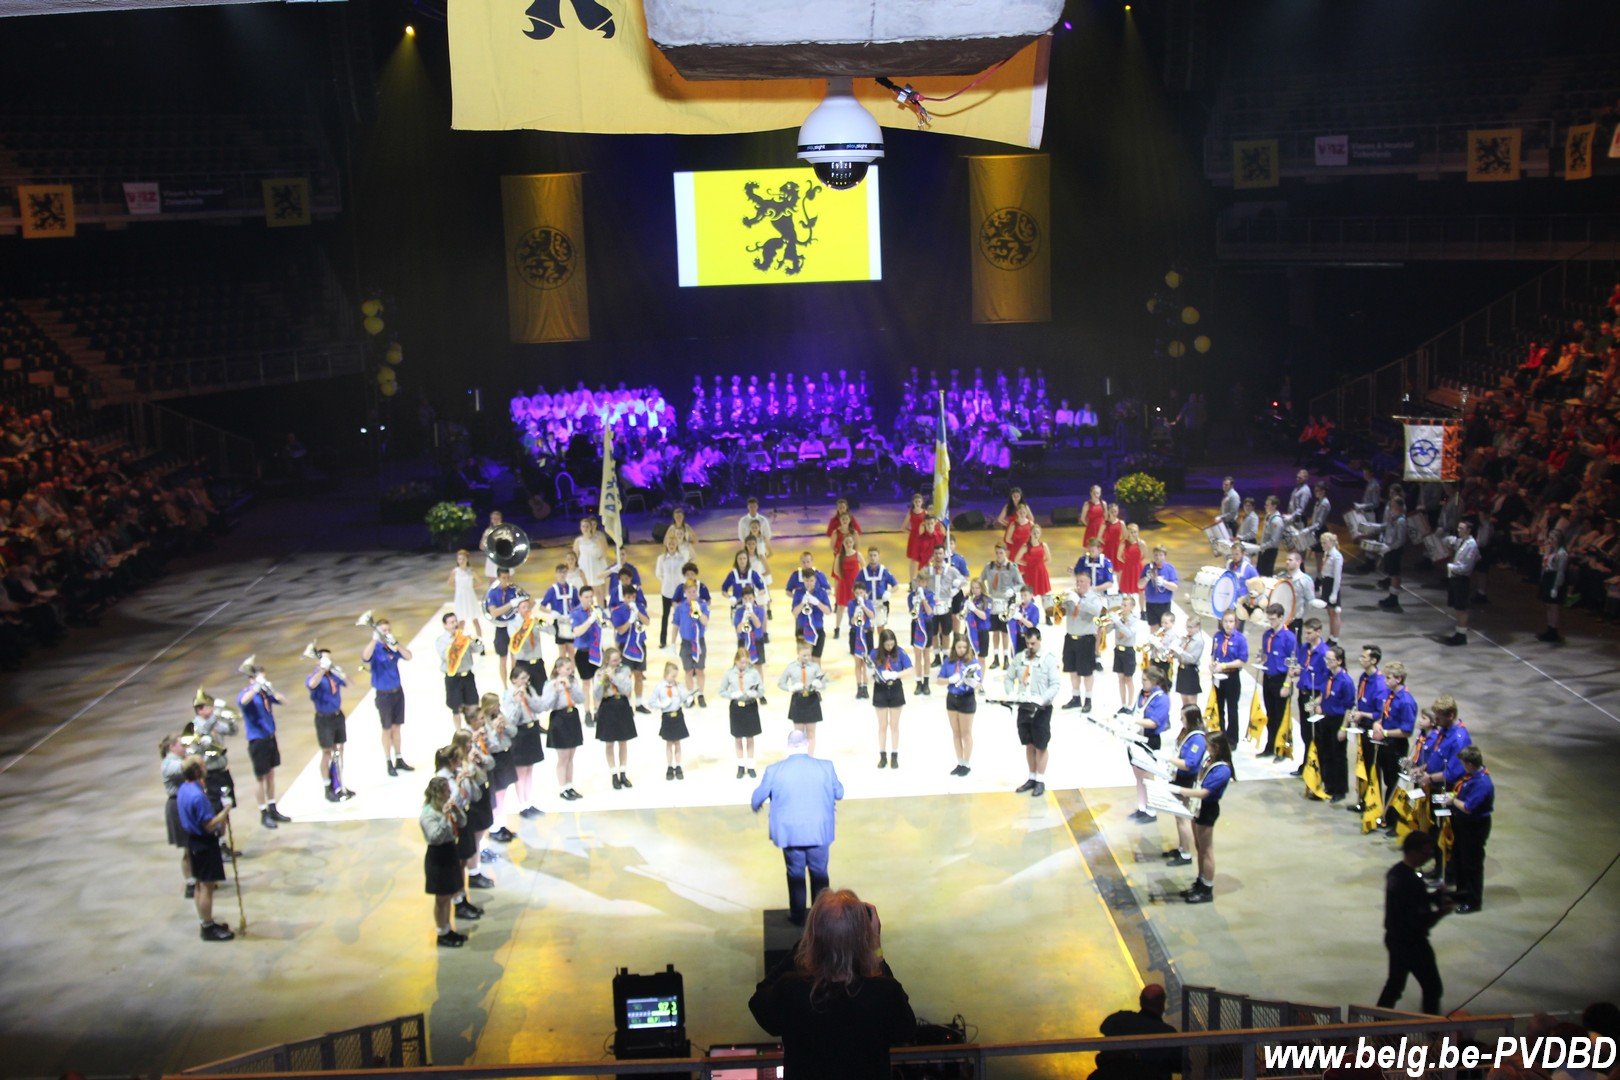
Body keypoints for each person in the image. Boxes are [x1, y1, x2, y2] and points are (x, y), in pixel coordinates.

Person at [748, 888, 915, 1080]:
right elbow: (905, 1030)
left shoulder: (791, 989)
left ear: (814, 934)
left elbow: (759, 1001)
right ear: (863, 937)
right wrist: (876, 948)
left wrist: (804, 945)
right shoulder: (883, 992)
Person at [748, 732, 846, 925]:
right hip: (819, 831)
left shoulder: (774, 770)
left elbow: (756, 800)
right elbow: (840, 792)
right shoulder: (825, 767)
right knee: (820, 873)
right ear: (807, 744)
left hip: (790, 834)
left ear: (788, 746)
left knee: (795, 873)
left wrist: (759, 805)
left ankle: (798, 916)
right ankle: (822, 917)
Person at [1377, 831, 1452, 1014]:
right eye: (1426, 853)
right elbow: (1420, 920)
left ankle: (1377, 1025)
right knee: (1433, 987)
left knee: (1394, 985)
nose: (1428, 858)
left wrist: (1434, 896)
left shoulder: (1396, 873)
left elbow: (1413, 901)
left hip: (1394, 938)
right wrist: (1442, 912)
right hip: (1412, 943)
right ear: (1413, 852)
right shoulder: (1412, 882)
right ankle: (1431, 1032)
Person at [177, 758, 235, 941]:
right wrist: (224, 813)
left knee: (199, 884)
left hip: (192, 841)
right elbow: (209, 825)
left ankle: (205, 921)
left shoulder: (183, 789)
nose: (205, 768)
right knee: (207, 887)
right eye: (202, 765)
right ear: (197, 771)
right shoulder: (198, 796)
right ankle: (208, 928)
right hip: (204, 843)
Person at [1173, 731, 1235, 903]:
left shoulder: (1222, 769)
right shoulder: (1211, 761)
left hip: (1207, 808)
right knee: (1199, 846)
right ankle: (1200, 880)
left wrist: (1180, 790)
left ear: (1216, 747)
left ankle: (1207, 888)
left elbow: (1205, 792)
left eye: (1208, 745)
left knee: (1206, 849)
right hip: (1199, 807)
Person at [1006, 625, 1061, 797]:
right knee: (1028, 743)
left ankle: (1040, 779)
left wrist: (1043, 699)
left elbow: (1055, 685)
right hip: (1024, 706)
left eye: (1034, 644)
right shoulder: (1020, 658)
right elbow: (1009, 678)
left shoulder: (1048, 659)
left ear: (1039, 641)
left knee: (1041, 744)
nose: (1030, 647)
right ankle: (1031, 776)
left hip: (1041, 708)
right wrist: (1012, 694)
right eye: (1028, 644)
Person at [238, 661, 290, 829]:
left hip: (270, 738)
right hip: (257, 741)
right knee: (260, 778)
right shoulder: (247, 694)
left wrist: (270, 689)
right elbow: (243, 702)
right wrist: (255, 688)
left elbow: (284, 701)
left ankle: (273, 807)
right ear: (251, 679)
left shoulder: (264, 694)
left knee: (271, 775)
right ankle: (263, 813)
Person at [361, 615, 414, 776]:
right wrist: (373, 640)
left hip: (397, 691)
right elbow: (365, 657)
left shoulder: (392, 647)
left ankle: (399, 758)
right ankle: (388, 760)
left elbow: (408, 656)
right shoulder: (375, 648)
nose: (387, 632)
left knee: (397, 727)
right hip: (383, 694)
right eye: (384, 630)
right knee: (387, 729)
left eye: (389, 630)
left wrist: (396, 644)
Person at [420, 776, 467, 948]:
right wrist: (445, 817)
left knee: (448, 895)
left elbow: (462, 823)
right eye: (447, 790)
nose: (450, 793)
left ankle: (448, 928)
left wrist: (456, 810)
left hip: (450, 851)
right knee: (441, 899)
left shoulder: (446, 805)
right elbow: (435, 837)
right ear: (438, 793)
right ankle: (442, 932)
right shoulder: (428, 814)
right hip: (438, 856)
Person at [1094, 985, 1178, 1080]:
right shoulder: (1168, 1034)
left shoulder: (1119, 1019)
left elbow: (1104, 1028)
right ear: (1162, 1004)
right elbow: (1180, 1065)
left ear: (1140, 1001)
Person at [1448, 746, 1494, 913]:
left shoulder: (1482, 783)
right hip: (1463, 824)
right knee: (1460, 859)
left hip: (1475, 827)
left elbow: (1468, 807)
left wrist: (1452, 801)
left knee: (1472, 864)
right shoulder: (1470, 777)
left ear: (1469, 764)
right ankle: (1462, 892)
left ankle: (1473, 901)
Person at [306, 646, 353, 802]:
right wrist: (321, 670)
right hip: (324, 718)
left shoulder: (333, 675)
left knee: (339, 750)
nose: (328, 661)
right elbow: (312, 684)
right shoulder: (315, 676)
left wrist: (340, 672)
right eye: (324, 658)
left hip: (337, 716)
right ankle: (328, 787)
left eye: (329, 658)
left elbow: (349, 683)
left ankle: (340, 784)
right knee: (327, 752)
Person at [1162, 707, 1207, 867]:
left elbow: (1190, 764)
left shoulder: (1198, 740)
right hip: (1178, 778)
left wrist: (1170, 759)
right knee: (1178, 816)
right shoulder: (1188, 734)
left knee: (1183, 819)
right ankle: (1182, 847)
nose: (1181, 720)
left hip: (1186, 781)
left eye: (1183, 718)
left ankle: (1186, 854)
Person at [538, 654, 586, 800]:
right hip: (559, 718)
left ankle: (570, 785)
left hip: (573, 717)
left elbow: (581, 699)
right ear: (558, 669)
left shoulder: (573, 681)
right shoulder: (550, 684)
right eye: (567, 669)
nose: (570, 671)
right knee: (563, 757)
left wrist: (572, 688)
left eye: (571, 669)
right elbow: (546, 706)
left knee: (571, 755)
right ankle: (562, 787)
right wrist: (556, 690)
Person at [1129, 667, 1172, 822]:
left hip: (1150, 740)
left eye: (1145, 680)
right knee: (1138, 774)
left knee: (1148, 775)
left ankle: (1152, 810)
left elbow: (1154, 722)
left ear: (1154, 681)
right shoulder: (1143, 694)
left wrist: (1133, 720)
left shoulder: (1161, 698)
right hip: (1136, 737)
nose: (1142, 683)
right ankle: (1142, 806)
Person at [936, 634, 983, 776]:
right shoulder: (948, 662)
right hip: (952, 699)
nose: (961, 650)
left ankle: (967, 763)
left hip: (966, 699)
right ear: (954, 647)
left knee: (966, 733)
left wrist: (972, 682)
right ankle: (960, 762)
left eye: (964, 647)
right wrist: (950, 679)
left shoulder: (973, 663)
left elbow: (979, 683)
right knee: (956, 733)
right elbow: (939, 680)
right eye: (959, 647)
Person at [1256, 604, 1297, 761]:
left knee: (1281, 716)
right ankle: (1270, 746)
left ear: (1281, 618)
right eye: (1269, 619)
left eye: (1273, 619)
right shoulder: (1267, 635)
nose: (1271, 622)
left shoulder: (1289, 638)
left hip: (1281, 679)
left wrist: (1287, 684)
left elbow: (1292, 663)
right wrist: (1261, 659)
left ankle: (1282, 749)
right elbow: (1266, 654)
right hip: (1268, 678)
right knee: (1270, 715)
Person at [593, 647, 637, 790]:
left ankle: (623, 772)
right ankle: (613, 773)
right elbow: (597, 694)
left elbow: (627, 689)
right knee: (609, 743)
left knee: (623, 741)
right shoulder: (599, 672)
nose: (617, 662)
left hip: (622, 704)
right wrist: (602, 681)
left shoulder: (625, 670)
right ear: (607, 660)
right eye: (614, 660)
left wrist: (614, 678)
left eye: (618, 659)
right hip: (608, 706)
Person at [868, 628, 911, 769]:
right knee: (882, 725)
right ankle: (882, 755)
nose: (889, 647)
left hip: (895, 688)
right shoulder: (874, 653)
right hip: (880, 689)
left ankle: (894, 755)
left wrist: (896, 675)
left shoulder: (900, 652)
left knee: (894, 725)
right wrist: (873, 675)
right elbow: (868, 672)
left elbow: (910, 669)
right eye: (887, 645)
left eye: (891, 644)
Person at [1290, 618, 1328, 776]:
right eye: (1305, 632)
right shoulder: (1305, 648)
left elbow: (1327, 679)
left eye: (1309, 633)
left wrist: (1319, 701)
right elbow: (1302, 666)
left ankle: (1316, 765)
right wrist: (1297, 671)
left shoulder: (1325, 653)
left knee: (1316, 733)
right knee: (1305, 732)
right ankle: (1306, 762)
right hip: (1303, 694)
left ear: (1318, 632)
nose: (1306, 636)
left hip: (1315, 697)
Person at [1317, 645, 1355, 802]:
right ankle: (1329, 784)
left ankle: (1340, 789)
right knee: (1326, 752)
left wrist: (1343, 728)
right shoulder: (1328, 675)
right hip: (1325, 717)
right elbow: (1323, 695)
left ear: (1339, 661)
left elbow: (1349, 706)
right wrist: (1317, 704)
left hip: (1338, 720)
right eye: (1326, 659)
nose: (1327, 662)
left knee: (1338, 755)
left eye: (1330, 659)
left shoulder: (1346, 681)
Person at [720, 646, 765, 778]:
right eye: (742, 662)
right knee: (738, 737)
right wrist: (731, 694)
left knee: (750, 737)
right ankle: (740, 765)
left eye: (746, 662)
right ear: (736, 661)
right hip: (736, 707)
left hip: (750, 705)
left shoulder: (753, 673)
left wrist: (754, 693)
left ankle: (750, 765)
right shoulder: (729, 674)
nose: (744, 665)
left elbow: (761, 690)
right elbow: (722, 691)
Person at [777, 637, 828, 754]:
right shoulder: (791, 667)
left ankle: (810, 757)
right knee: (798, 734)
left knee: (811, 733)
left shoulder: (815, 667)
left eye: (809, 655)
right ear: (798, 654)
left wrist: (818, 684)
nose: (807, 658)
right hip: (798, 700)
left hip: (811, 700)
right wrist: (791, 688)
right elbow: (781, 683)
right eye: (804, 655)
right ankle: (800, 756)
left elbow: (823, 684)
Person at [610, 574, 652, 711]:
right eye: (628, 597)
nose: (631, 600)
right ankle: (627, 704)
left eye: (633, 597)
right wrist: (630, 621)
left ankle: (639, 703)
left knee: (639, 675)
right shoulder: (617, 611)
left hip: (639, 646)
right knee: (626, 677)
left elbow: (647, 622)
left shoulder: (640, 607)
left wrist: (637, 613)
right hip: (625, 647)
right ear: (624, 598)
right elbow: (620, 631)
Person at [437, 612, 484, 726]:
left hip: (467, 675)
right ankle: (459, 732)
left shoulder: (464, 637)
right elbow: (445, 655)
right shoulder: (441, 640)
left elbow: (478, 649)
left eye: (455, 621)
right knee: (456, 708)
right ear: (445, 625)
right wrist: (457, 642)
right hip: (453, 677)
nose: (454, 624)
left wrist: (474, 640)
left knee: (473, 705)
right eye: (451, 622)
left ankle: (475, 729)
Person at [1209, 608, 1248, 746]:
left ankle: (1232, 739)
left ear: (1235, 623)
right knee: (1218, 706)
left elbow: (1242, 660)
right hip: (1218, 676)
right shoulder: (1217, 636)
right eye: (1225, 621)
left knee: (1232, 708)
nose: (1228, 624)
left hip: (1231, 676)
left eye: (1231, 621)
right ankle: (1220, 734)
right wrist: (1212, 664)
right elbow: (1213, 653)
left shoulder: (1240, 639)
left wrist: (1225, 666)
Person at [649, 661, 694, 780]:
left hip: (677, 715)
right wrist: (661, 704)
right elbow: (651, 702)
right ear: (666, 674)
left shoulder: (679, 686)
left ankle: (678, 765)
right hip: (667, 717)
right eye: (672, 676)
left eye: (675, 676)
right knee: (669, 743)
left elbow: (685, 699)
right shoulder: (660, 687)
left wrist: (689, 700)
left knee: (677, 742)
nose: (674, 678)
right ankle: (669, 766)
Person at [982, 543, 1024, 669]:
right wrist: (985, 593)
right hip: (994, 602)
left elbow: (1021, 583)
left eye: (1001, 553)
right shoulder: (989, 567)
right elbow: (980, 579)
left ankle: (1006, 658)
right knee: (995, 632)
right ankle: (995, 657)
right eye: (997, 553)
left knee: (1005, 632)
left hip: (1006, 603)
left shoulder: (1011, 567)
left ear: (1006, 553)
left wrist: (1012, 589)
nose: (999, 555)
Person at [786, 552, 833, 660]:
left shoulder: (819, 575)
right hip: (802, 625)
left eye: (808, 561)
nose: (806, 564)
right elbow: (788, 592)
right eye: (803, 561)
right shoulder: (796, 580)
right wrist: (800, 601)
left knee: (816, 659)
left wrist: (817, 601)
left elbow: (828, 592)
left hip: (817, 624)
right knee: (803, 658)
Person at [672, 581, 711, 708]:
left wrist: (698, 611)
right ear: (685, 593)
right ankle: (690, 694)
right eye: (689, 592)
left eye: (694, 591)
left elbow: (705, 622)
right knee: (688, 670)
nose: (692, 594)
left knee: (700, 670)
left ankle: (700, 694)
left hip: (699, 641)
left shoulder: (702, 605)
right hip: (686, 643)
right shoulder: (680, 607)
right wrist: (672, 642)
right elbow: (676, 625)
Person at [1442, 520, 1480, 646]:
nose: (1459, 530)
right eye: (1458, 528)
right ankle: (1458, 632)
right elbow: (1447, 541)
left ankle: (1461, 635)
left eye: (1462, 528)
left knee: (1461, 607)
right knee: (1457, 607)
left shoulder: (1471, 545)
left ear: (1469, 530)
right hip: (1455, 577)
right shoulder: (1461, 541)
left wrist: (1451, 567)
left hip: (1461, 578)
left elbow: (1466, 567)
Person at [484, 567, 522, 688]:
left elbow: (528, 602)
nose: (506, 580)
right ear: (498, 578)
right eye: (503, 578)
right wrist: (510, 604)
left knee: (515, 657)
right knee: (503, 658)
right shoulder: (493, 592)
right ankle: (505, 686)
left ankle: (515, 684)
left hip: (514, 627)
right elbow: (494, 612)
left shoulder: (514, 590)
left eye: (507, 577)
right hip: (501, 628)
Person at [1106, 594, 1142, 715]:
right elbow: (1107, 631)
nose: (1122, 607)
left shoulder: (1135, 620)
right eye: (1122, 604)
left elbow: (1128, 634)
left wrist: (1118, 622)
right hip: (1118, 650)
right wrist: (1110, 621)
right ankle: (1123, 704)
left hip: (1128, 651)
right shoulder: (1119, 618)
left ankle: (1131, 705)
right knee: (1120, 678)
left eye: (1125, 605)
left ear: (1132, 607)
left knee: (1128, 678)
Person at [653, 532, 690, 650]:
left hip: (679, 592)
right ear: (666, 545)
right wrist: (666, 581)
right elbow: (659, 573)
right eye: (669, 543)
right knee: (665, 616)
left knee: (683, 615)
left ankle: (686, 638)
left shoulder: (682, 557)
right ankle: (663, 641)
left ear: (676, 544)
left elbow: (686, 572)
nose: (671, 545)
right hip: (667, 591)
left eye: (673, 543)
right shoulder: (661, 558)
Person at [1376, 496, 1409, 612]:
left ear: (1399, 507)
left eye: (1393, 505)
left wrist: (1389, 548)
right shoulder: (1393, 518)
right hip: (1389, 548)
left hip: (1395, 550)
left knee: (1395, 574)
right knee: (1390, 573)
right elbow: (1386, 528)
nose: (1391, 507)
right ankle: (1391, 596)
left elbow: (1401, 540)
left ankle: (1394, 599)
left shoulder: (1401, 521)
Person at [1535, 531, 1569, 643]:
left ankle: (1554, 630)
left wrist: (1556, 587)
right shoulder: (1550, 550)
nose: (1550, 540)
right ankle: (1549, 627)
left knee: (1553, 606)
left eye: (1553, 538)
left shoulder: (1562, 553)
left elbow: (1560, 571)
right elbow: (1543, 560)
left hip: (1554, 579)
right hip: (1548, 576)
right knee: (1548, 605)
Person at [447, 550, 484, 640]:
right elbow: (449, 583)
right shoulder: (455, 571)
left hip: (470, 596)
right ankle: (458, 641)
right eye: (459, 559)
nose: (461, 561)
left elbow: (480, 582)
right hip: (460, 597)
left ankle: (480, 641)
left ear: (467, 559)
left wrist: (470, 587)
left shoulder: (471, 571)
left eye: (463, 559)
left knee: (475, 620)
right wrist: (459, 588)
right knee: (461, 621)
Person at [1172, 615, 1208, 708]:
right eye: (1188, 627)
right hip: (1182, 669)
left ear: (1198, 627)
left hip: (1191, 671)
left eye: (1192, 627)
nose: (1189, 629)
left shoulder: (1198, 641)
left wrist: (1180, 651)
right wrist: (1174, 651)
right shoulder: (1186, 638)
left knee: (1191, 702)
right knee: (1184, 699)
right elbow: (1180, 654)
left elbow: (1193, 659)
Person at [573, 515, 610, 593]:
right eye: (583, 526)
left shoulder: (597, 539)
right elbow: (575, 554)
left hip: (595, 565)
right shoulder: (578, 540)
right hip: (583, 565)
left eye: (587, 526)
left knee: (597, 588)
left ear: (590, 528)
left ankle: (602, 603)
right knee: (584, 586)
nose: (585, 528)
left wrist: (598, 560)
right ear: (580, 528)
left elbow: (604, 552)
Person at [1318, 533, 1344, 642]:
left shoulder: (1336, 556)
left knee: (1335, 613)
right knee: (1330, 612)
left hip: (1332, 583)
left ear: (1331, 543)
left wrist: (1334, 593)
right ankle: (1331, 635)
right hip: (1326, 582)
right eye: (1322, 543)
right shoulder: (1327, 553)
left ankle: (1335, 638)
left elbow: (1337, 576)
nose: (1322, 545)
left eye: (1325, 543)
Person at [1116, 523, 1145, 604]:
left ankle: (1142, 610)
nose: (1133, 534)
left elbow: (1144, 555)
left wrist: (1137, 562)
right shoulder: (1124, 543)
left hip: (1138, 568)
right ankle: (1128, 608)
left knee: (1140, 590)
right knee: (1128, 590)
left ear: (1138, 532)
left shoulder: (1141, 543)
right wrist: (1127, 562)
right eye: (1131, 532)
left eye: (1135, 532)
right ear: (1128, 532)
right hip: (1128, 568)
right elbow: (1118, 556)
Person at [1257, 496, 1285, 577]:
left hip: (1270, 551)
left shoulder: (1276, 521)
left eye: (1267, 505)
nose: (1265, 507)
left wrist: (1263, 546)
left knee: (1266, 575)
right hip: (1264, 549)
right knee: (1260, 573)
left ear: (1274, 506)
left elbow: (1275, 541)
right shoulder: (1268, 516)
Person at [477, 510, 506, 588]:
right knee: (492, 581)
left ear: (501, 519)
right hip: (492, 558)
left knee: (505, 579)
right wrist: (486, 539)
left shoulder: (505, 530)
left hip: (504, 558)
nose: (495, 520)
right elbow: (481, 547)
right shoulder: (488, 531)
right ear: (491, 520)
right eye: (493, 519)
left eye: (497, 519)